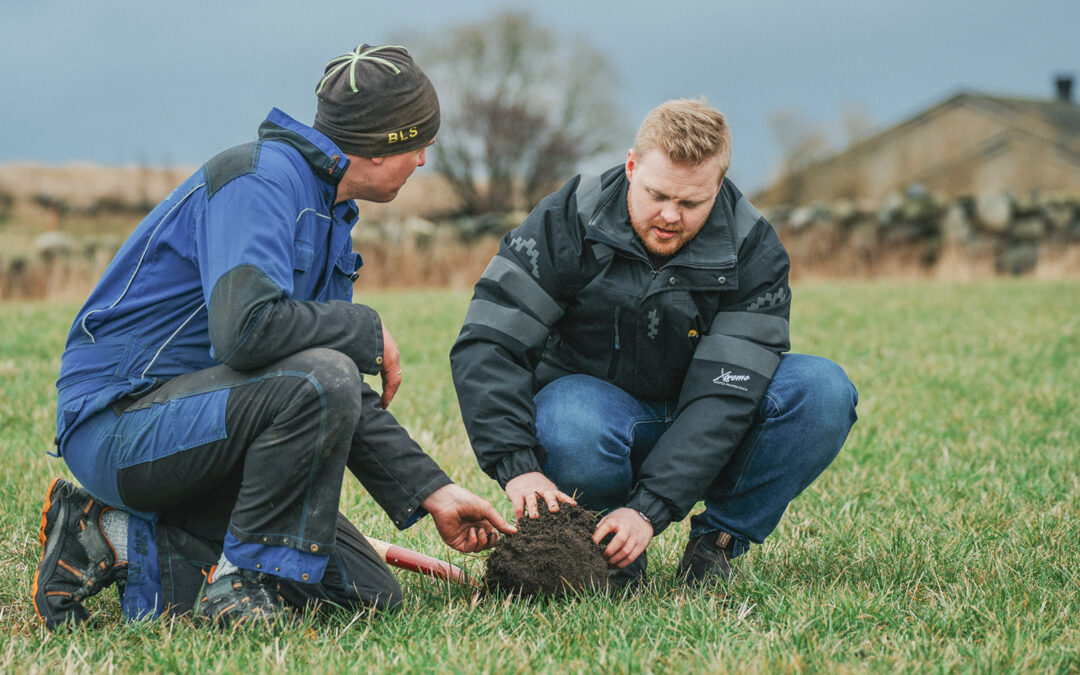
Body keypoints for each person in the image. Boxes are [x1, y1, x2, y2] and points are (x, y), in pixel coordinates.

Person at [33, 44, 515, 632]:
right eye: (420, 143)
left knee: (367, 598)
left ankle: (106, 537)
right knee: (325, 377)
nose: (422, 161)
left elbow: (317, 380)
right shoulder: (258, 182)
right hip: (122, 424)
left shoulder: (327, 209)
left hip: (205, 429)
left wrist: (434, 491)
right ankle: (243, 584)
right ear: (383, 143)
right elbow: (248, 332)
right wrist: (364, 329)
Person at [450, 99, 857, 589]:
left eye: (691, 203)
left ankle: (718, 544)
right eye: (657, 194)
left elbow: (725, 396)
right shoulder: (565, 222)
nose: (670, 216)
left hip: (709, 419)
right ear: (631, 165)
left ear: (719, 185)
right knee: (567, 416)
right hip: (593, 418)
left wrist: (649, 509)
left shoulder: (753, 249)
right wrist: (516, 466)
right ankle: (608, 553)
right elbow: (489, 343)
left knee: (823, 390)